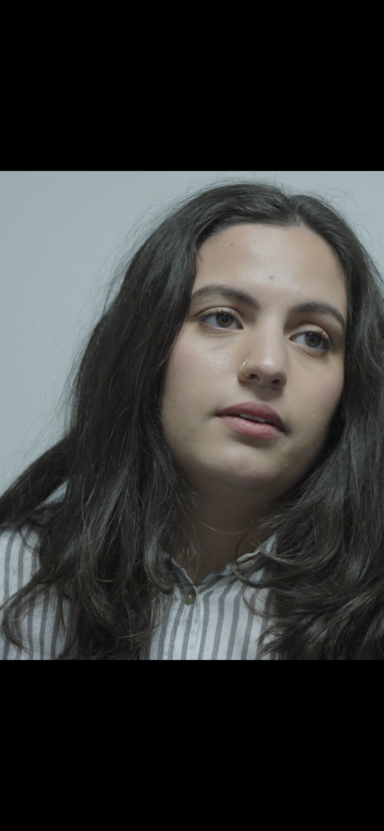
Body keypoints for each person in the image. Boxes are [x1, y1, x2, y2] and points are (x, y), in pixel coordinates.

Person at [1, 180, 384, 660]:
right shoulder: (11, 576)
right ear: (146, 346)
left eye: (312, 337)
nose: (268, 364)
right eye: (222, 318)